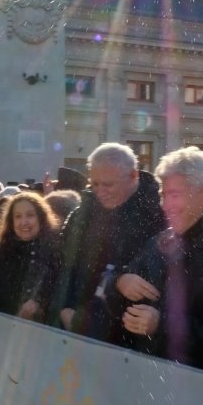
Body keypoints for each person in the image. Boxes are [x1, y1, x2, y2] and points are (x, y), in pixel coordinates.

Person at [110, 147, 203, 370]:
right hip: (147, 374)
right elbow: (115, 305)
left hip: (201, 384)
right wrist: (120, 282)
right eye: (163, 195)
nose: (165, 205)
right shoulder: (159, 243)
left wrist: (162, 325)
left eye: (174, 195)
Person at [55, 142, 165, 344]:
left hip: (130, 337)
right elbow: (63, 265)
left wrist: (117, 281)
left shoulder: (158, 216)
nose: (100, 191)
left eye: (108, 185)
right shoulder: (82, 215)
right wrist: (64, 308)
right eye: (95, 184)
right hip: (78, 327)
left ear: (133, 176)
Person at [0, 193, 61, 322]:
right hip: (1, 327)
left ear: (41, 218)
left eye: (30, 215)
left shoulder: (56, 253)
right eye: (18, 216)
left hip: (42, 330)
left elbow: (60, 290)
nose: (24, 222)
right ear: (11, 222)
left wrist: (40, 303)